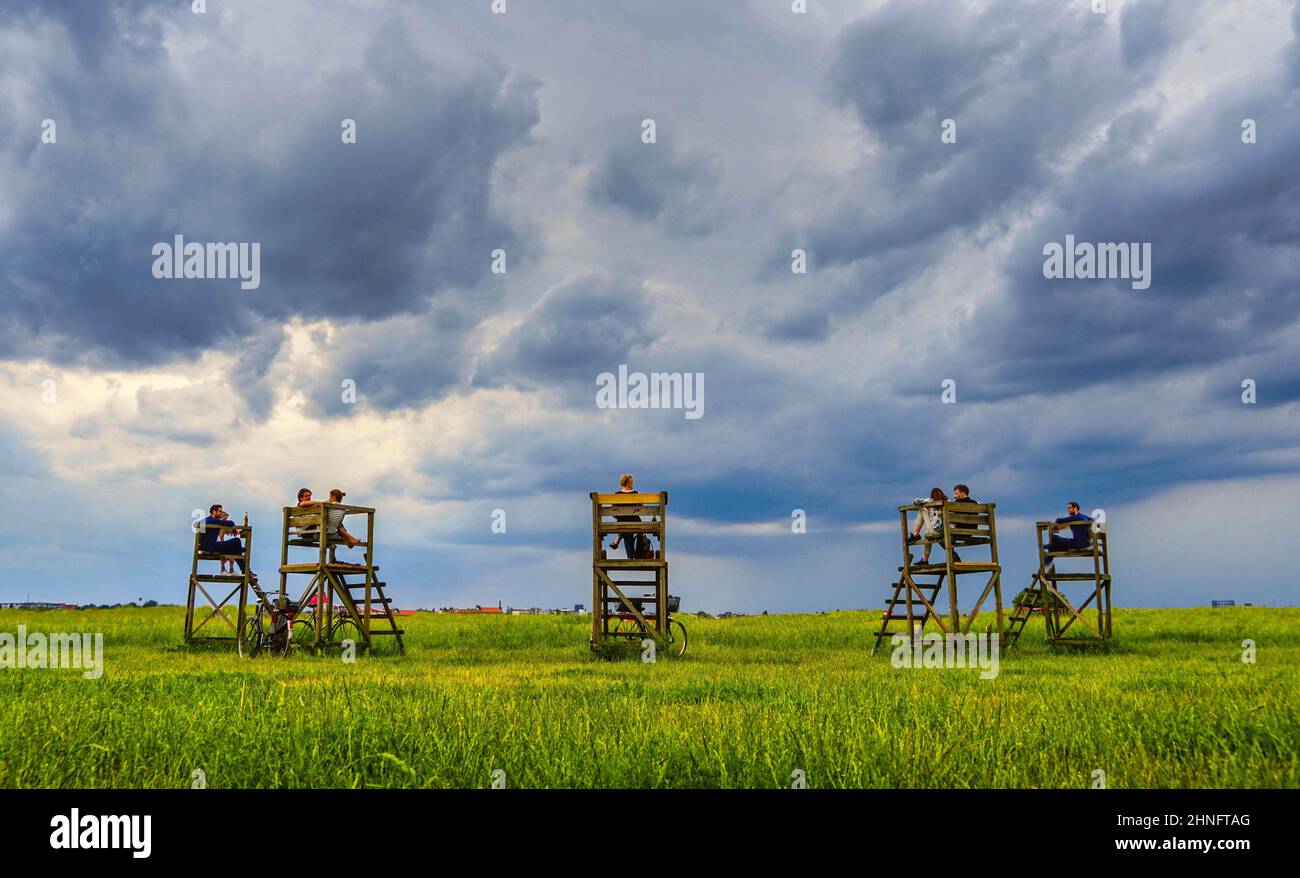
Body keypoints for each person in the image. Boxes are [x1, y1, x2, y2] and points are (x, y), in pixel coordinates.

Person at [200, 503, 256, 581]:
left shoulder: (210, 520)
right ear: (214, 512)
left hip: (212, 546)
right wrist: (221, 521)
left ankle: (245, 569)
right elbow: (231, 523)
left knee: (235, 550)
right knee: (236, 541)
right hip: (211, 547)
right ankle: (243, 563)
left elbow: (230, 527)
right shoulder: (210, 520)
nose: (221, 513)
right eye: (219, 511)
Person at [608, 473, 645, 560]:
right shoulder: (637, 493)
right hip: (635, 521)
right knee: (638, 528)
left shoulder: (616, 495)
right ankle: (637, 555)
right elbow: (642, 508)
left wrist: (620, 517)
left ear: (622, 482)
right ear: (631, 483)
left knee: (624, 525)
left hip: (622, 522)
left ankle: (629, 555)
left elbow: (612, 510)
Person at [905, 488, 947, 565]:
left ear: (932, 496)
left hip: (935, 532)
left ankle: (915, 534)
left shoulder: (931, 503)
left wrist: (928, 500)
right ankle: (925, 560)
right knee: (927, 535)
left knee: (922, 509)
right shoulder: (948, 503)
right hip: (946, 532)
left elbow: (915, 502)